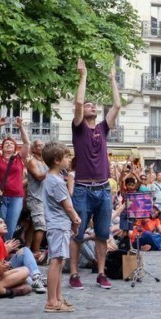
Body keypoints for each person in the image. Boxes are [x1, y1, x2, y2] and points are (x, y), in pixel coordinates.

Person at [68, 58, 120, 290]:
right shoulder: (78, 127)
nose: (92, 107)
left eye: (94, 106)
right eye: (89, 105)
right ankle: (74, 273)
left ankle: (101, 273)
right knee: (78, 234)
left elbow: (117, 106)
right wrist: (83, 75)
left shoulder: (102, 128)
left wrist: (112, 80)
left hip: (103, 188)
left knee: (101, 234)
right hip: (82, 188)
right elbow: (78, 101)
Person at [41, 141, 81, 312]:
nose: (69, 159)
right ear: (57, 160)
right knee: (56, 261)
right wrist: (76, 219)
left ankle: (58, 298)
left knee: (59, 259)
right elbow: (67, 205)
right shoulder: (55, 181)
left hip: (59, 224)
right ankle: (51, 301)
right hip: (58, 224)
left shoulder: (53, 178)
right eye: (66, 156)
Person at [0, 116, 30, 240]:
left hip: (16, 197)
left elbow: (26, 143)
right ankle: (0, 249)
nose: (9, 144)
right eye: (6, 143)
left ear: (15, 148)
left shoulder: (19, 159)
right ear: (2, 147)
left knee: (10, 225)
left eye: (11, 144)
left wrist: (21, 127)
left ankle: (5, 251)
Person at [0, 217, 47, 294]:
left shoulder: (2, 239)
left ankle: (36, 278)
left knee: (25, 253)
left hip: (6, 269)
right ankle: (36, 278)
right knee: (25, 252)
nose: (4, 225)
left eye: (4, 222)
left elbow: (9, 257)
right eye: (0, 223)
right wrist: (5, 251)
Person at [26, 139, 49, 258]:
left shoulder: (45, 161)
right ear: (33, 149)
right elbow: (38, 176)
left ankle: (27, 248)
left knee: (32, 225)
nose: (41, 147)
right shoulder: (32, 161)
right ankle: (36, 252)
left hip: (44, 198)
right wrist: (53, 170)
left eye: (42, 145)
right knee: (41, 225)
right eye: (39, 145)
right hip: (35, 198)